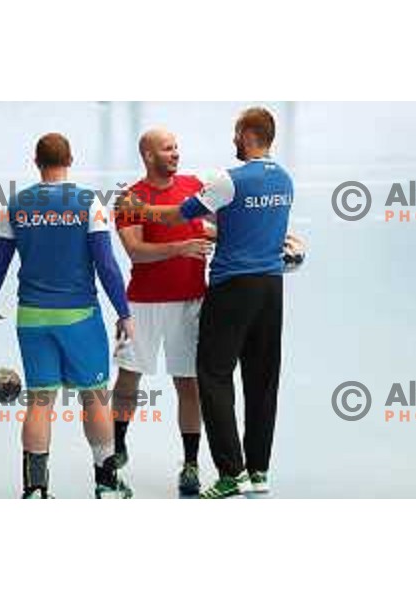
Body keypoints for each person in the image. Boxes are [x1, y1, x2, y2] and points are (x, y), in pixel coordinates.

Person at [117, 108, 303, 499]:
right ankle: (259, 471)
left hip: (232, 289)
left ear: (246, 134)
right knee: (262, 380)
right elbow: (257, 229)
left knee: (213, 376)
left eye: (237, 133)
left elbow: (175, 217)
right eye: (168, 148)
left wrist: (139, 209)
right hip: (271, 288)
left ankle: (229, 472)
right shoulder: (285, 180)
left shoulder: (225, 180)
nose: (234, 139)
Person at [0, 132, 134, 499]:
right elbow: (106, 264)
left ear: (36, 161)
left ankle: (34, 488)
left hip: (32, 317)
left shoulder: (16, 205)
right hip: (79, 316)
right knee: (95, 397)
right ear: (71, 160)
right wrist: (124, 311)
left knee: (39, 402)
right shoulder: (88, 202)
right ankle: (107, 483)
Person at [113, 128, 213, 495]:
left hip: (190, 303)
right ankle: (117, 447)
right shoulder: (130, 199)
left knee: (188, 384)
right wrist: (180, 248)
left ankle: (190, 463)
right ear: (148, 155)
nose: (175, 154)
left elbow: (205, 227)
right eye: (167, 149)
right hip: (141, 305)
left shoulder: (194, 185)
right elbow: (136, 250)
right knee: (128, 379)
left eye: (176, 148)